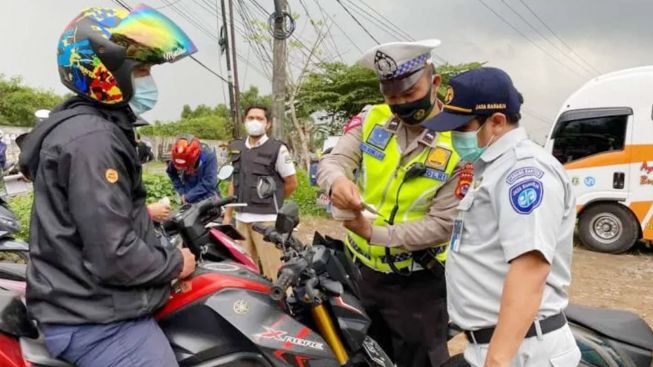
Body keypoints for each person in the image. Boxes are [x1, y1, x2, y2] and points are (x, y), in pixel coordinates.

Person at [18, 6, 198, 366]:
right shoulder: (93, 140)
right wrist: (176, 262)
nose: (148, 81)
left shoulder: (88, 127)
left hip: (88, 304)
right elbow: (113, 255)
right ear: (105, 72)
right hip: (95, 321)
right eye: (142, 70)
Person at [422, 67, 580, 367]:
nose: (454, 136)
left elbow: (530, 270)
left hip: (520, 353)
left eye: (462, 127)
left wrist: (497, 360)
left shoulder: (524, 174)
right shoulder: (492, 169)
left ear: (496, 121)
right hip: (493, 346)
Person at [317, 39, 462, 367]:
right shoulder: (372, 118)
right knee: (358, 357)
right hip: (358, 275)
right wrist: (337, 181)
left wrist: (373, 234)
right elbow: (333, 161)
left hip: (417, 286)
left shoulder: (459, 140)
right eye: (391, 96)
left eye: (409, 95)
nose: (400, 104)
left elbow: (443, 224)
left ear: (434, 83)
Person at [223, 105, 298, 279]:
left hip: (267, 223)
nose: (254, 122)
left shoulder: (278, 149)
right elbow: (234, 182)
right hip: (241, 221)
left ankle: (281, 305)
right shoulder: (236, 147)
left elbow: (291, 183)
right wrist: (228, 215)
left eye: (259, 118)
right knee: (245, 272)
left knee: (275, 272)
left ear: (268, 124)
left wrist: (272, 201)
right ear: (244, 121)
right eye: (250, 118)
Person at [166, 134, 219, 204]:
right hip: (187, 199)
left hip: (207, 198)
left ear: (195, 156)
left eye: (186, 166)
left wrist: (189, 196)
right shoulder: (179, 156)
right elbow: (171, 172)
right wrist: (181, 191)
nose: (184, 168)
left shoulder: (208, 157)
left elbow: (209, 182)